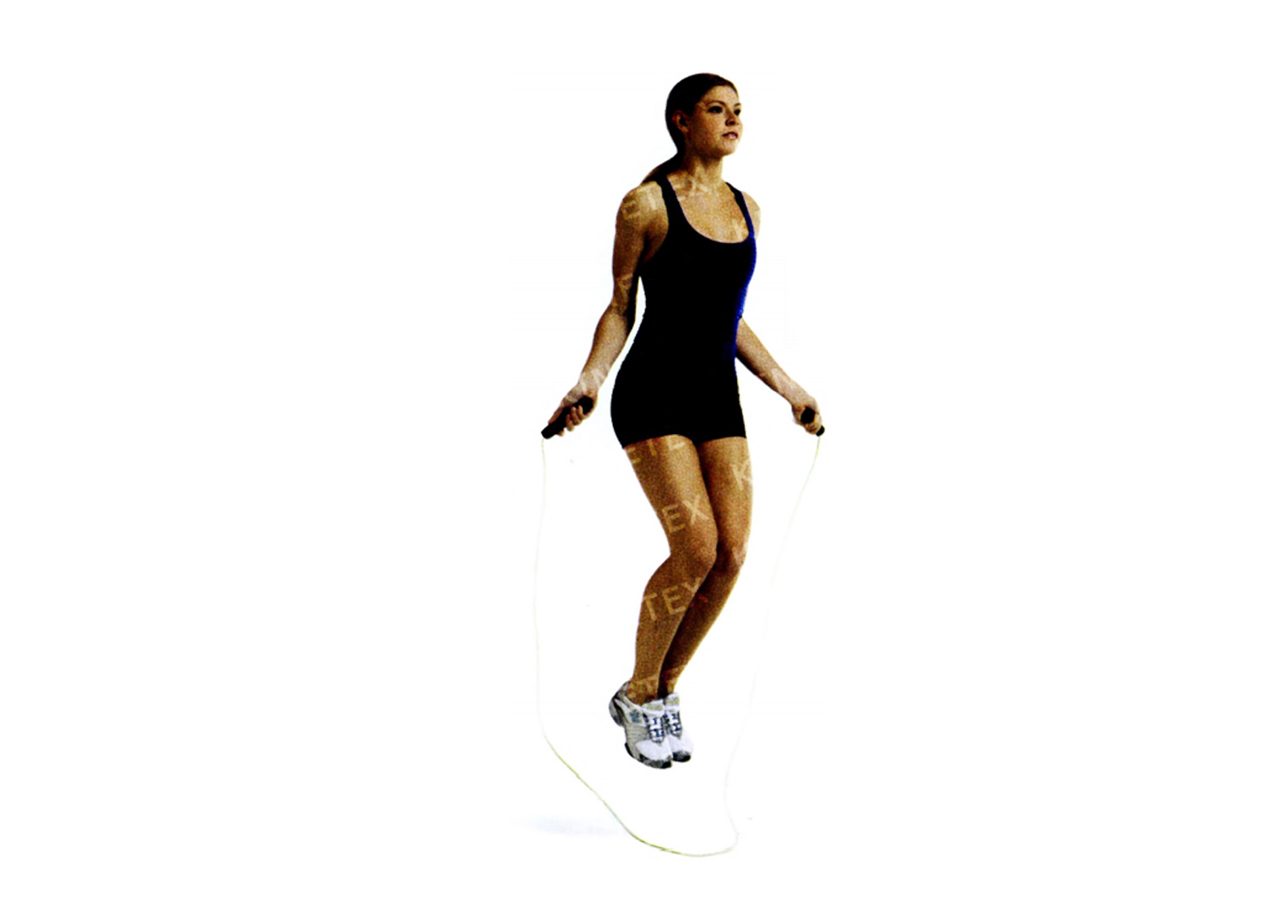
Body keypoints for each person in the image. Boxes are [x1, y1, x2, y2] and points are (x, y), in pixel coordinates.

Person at [546, 73, 823, 769]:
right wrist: (589, 378)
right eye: (716, 109)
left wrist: (788, 388)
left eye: (738, 111)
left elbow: (728, 318)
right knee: (695, 548)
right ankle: (640, 693)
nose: (732, 121)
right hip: (653, 392)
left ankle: (659, 692)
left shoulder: (747, 209)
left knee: (731, 556)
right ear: (681, 120)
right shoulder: (646, 203)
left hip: (716, 396)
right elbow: (620, 306)